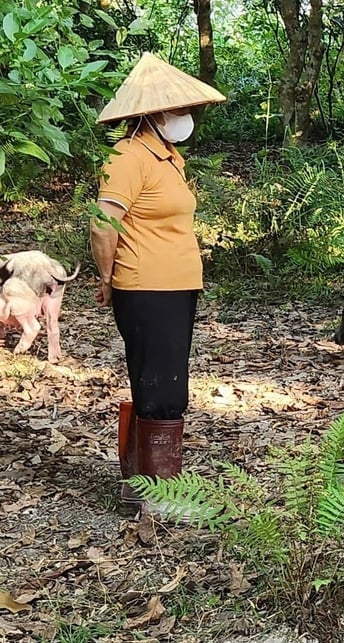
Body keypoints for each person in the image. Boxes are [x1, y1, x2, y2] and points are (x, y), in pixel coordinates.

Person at [89, 52, 226, 513]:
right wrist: (107, 278)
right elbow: (103, 225)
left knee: (163, 382)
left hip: (177, 285)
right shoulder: (128, 156)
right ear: (151, 114)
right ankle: (159, 498)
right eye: (176, 110)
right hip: (146, 286)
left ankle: (139, 484)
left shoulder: (168, 157)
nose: (184, 118)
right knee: (161, 386)